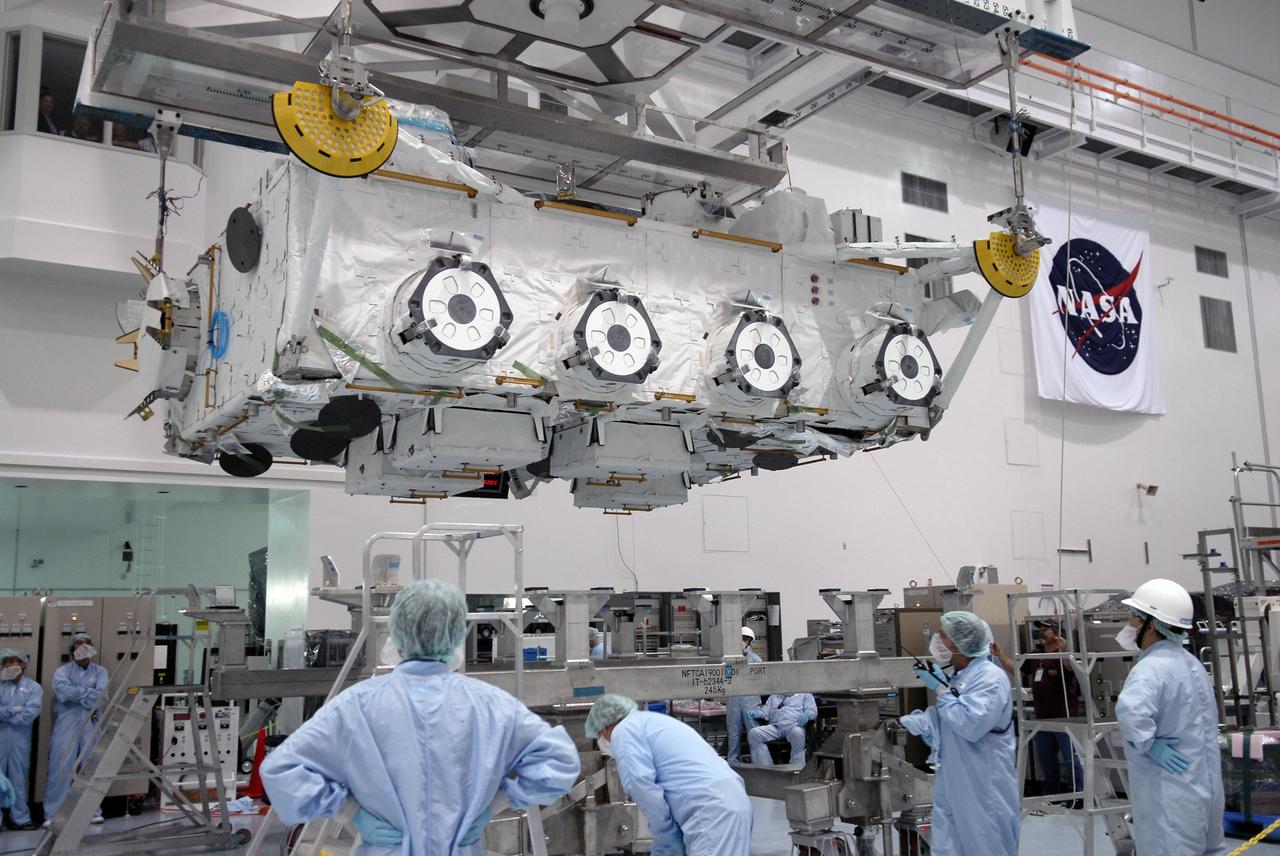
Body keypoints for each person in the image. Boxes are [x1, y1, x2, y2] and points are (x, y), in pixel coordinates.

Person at [260, 578, 579, 852]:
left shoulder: (356, 706)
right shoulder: (492, 706)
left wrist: (351, 813)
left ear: (397, 633)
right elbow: (559, 760)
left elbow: (281, 769)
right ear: (457, 634)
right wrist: (494, 806)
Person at [1114, 578, 1225, 855]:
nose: (1130, 624)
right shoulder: (1192, 664)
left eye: (1134, 616)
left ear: (1151, 625)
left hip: (1170, 792)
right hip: (1206, 788)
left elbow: (1130, 712)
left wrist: (1149, 744)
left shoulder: (1150, 669)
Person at [899, 611, 1018, 856]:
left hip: (983, 785)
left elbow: (971, 724)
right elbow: (952, 715)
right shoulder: (962, 675)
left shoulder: (991, 678)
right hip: (955, 781)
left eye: (943, 635)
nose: (938, 639)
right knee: (949, 846)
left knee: (986, 846)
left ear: (960, 644)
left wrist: (942, 690)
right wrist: (927, 723)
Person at [585, 694, 752, 855]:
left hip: (709, 812)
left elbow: (642, 786)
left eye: (600, 735)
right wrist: (664, 843)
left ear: (606, 727)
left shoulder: (624, 730)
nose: (604, 741)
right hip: (732, 801)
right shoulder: (653, 722)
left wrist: (666, 835)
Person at [44, 633, 109, 825]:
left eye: (87, 643)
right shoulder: (62, 672)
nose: (83, 646)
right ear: (72, 649)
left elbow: (102, 697)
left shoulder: (100, 672)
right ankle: (53, 814)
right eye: (79, 643)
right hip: (67, 723)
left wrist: (78, 694)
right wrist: (89, 694)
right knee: (61, 767)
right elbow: (63, 693)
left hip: (91, 723)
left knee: (91, 766)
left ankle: (92, 811)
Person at [0, 649, 42, 830]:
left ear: (23, 664)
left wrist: (5, 716)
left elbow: (30, 714)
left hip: (20, 740)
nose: (9, 665)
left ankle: (20, 818)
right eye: (6, 662)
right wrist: (12, 710)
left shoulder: (33, 688)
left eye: (13, 661)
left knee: (19, 778)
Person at [746, 692, 816, 766]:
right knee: (753, 733)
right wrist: (757, 714)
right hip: (775, 727)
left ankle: (797, 766)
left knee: (797, 733)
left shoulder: (805, 695)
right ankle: (765, 766)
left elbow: (812, 712)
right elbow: (765, 713)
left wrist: (807, 716)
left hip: (793, 726)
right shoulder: (774, 697)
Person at [724, 627, 762, 763]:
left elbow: (761, 680)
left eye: (746, 639)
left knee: (754, 731)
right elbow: (726, 678)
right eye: (742, 638)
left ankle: (759, 761)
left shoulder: (756, 659)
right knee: (733, 731)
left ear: (750, 641)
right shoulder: (728, 660)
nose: (744, 641)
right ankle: (733, 762)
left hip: (751, 699)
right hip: (734, 698)